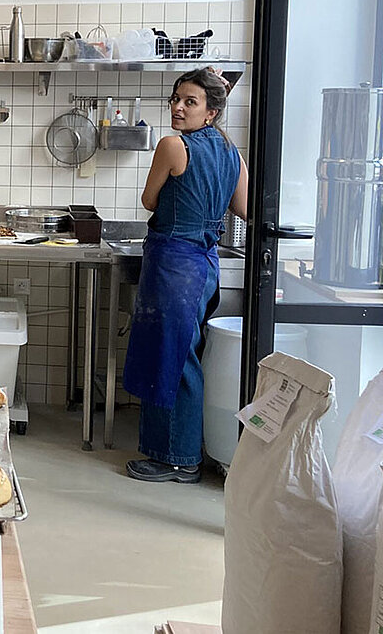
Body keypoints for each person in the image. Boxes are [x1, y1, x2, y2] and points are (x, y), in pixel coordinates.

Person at [122, 67, 248, 483]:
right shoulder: (232, 153)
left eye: (189, 102)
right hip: (206, 262)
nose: (177, 107)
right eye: (176, 99)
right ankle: (178, 452)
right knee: (185, 355)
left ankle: (177, 458)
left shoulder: (172, 146)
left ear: (210, 112)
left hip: (174, 262)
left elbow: (148, 200)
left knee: (172, 359)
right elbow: (244, 210)